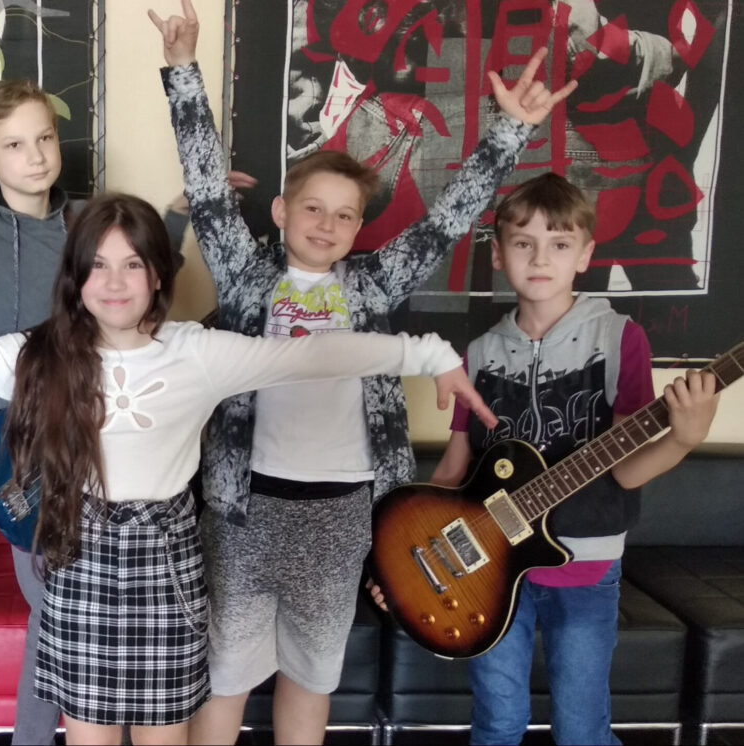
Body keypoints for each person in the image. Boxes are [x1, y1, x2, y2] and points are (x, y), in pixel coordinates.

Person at [0, 192, 497, 745]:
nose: (115, 281)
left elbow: (317, 355)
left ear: (158, 275)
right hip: (79, 558)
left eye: (133, 263)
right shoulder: (36, 354)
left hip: (168, 564)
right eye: (99, 265)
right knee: (91, 736)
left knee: (163, 737)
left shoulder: (199, 353)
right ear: (77, 277)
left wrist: (431, 355)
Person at [149, 2, 577, 742]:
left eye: (344, 215)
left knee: (312, 679)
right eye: (312, 208)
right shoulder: (246, 276)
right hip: (244, 509)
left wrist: (509, 132)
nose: (326, 224)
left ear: (358, 227)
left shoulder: (374, 285)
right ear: (279, 211)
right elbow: (208, 191)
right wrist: (183, 68)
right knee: (224, 677)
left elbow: (445, 222)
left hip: (344, 511)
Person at [0, 77, 207, 746]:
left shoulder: (90, 222)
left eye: (45, 138)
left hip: (120, 447)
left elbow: (141, 289)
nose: (36, 156)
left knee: (96, 631)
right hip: (29, 458)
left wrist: (174, 218)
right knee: (55, 618)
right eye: (16, 144)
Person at [424, 172, 718, 744]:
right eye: (523, 242)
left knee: (581, 729)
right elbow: (455, 468)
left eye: (559, 244)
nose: (540, 258)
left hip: (585, 565)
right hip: (487, 566)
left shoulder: (620, 338)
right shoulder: (477, 354)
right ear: (499, 254)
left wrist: (681, 439)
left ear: (584, 255)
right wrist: (414, 553)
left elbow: (624, 468)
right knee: (497, 722)